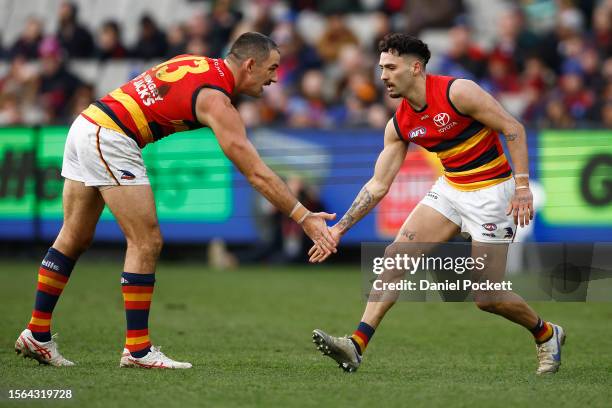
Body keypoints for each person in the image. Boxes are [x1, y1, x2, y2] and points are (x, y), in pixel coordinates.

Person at [14, 32, 337, 369]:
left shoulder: (194, 61)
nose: (274, 78)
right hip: (110, 136)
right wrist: (304, 216)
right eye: (271, 68)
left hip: (86, 124)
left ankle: (36, 334)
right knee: (146, 240)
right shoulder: (216, 101)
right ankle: (137, 351)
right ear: (250, 64)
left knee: (75, 236)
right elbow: (255, 172)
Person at [309, 34, 564, 375]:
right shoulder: (399, 124)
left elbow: (512, 127)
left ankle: (547, 333)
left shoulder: (457, 92)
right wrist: (338, 229)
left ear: (416, 68)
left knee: (487, 298)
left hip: (493, 194)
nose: (382, 75)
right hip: (451, 189)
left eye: (390, 67)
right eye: (381, 68)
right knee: (395, 257)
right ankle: (356, 344)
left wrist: (521, 187)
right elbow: (379, 184)